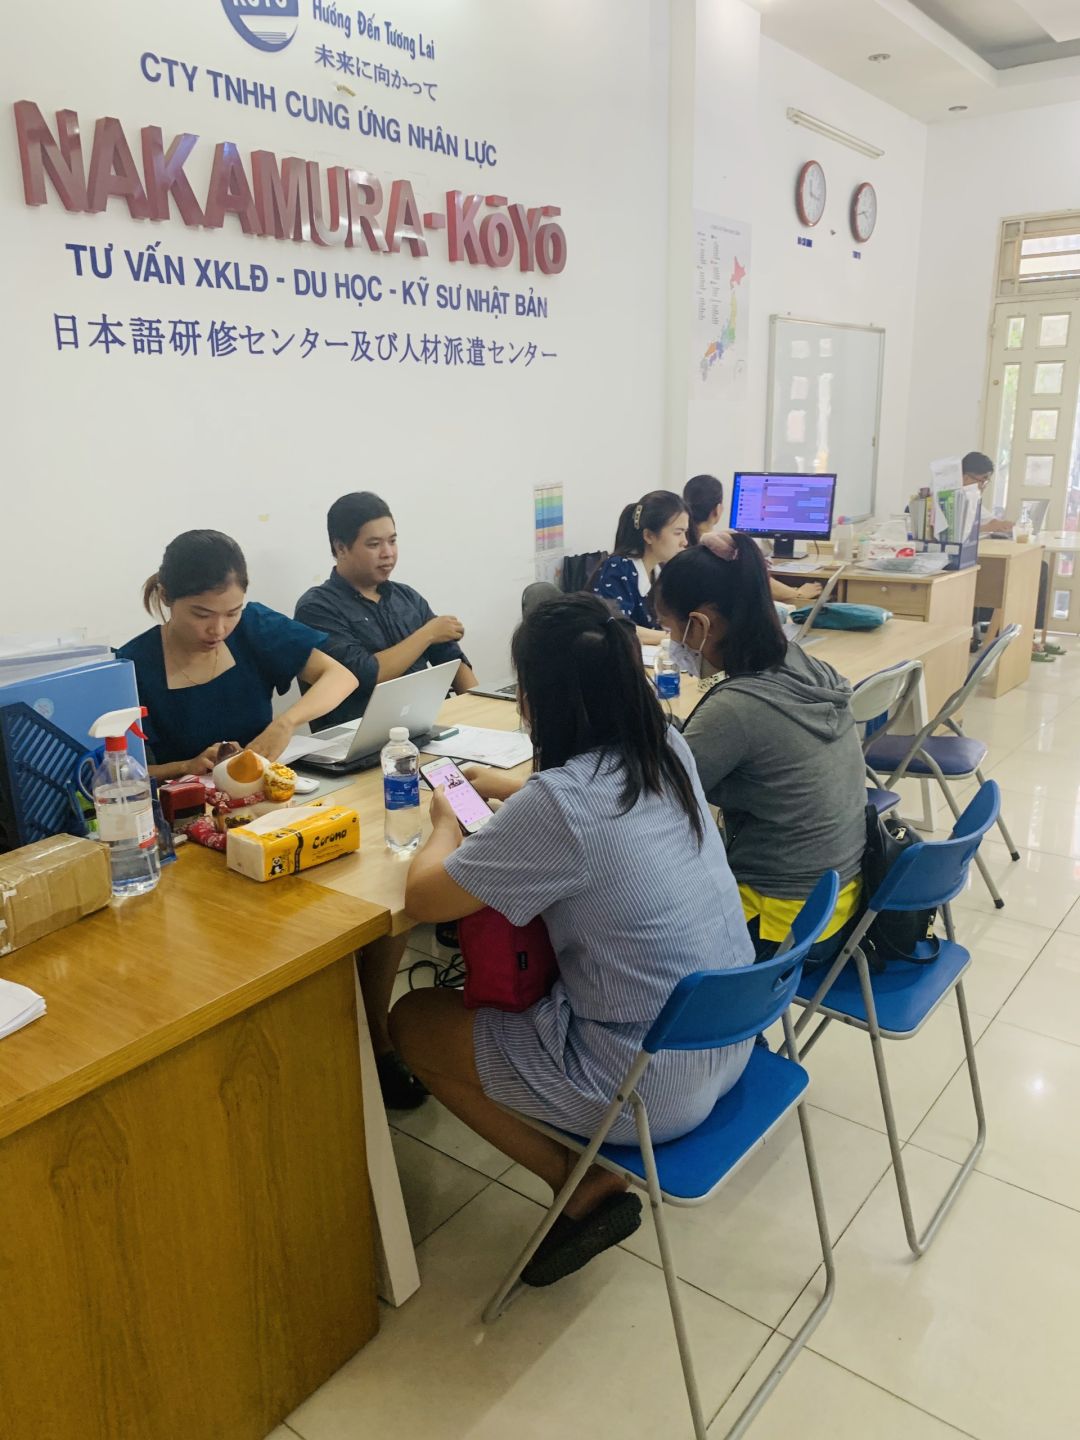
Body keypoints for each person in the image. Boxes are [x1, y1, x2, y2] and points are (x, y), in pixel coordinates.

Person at [390, 592, 754, 1286]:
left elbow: (423, 897)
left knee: (413, 1020)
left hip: (647, 1087)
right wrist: (510, 787)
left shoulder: (559, 805)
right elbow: (583, 797)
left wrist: (443, 820)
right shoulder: (666, 745)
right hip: (728, 1035)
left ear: (532, 700)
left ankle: (579, 1183)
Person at [653, 530, 867, 961]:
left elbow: (656, 797)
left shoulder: (735, 708)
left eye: (670, 629)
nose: (672, 643)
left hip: (781, 922)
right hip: (840, 900)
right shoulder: (805, 665)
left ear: (700, 625)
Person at [117, 529, 357, 780]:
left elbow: (341, 677)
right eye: (202, 615)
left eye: (232, 613)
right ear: (166, 596)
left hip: (262, 789)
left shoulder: (253, 627)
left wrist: (286, 723)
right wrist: (186, 766)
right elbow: (121, 772)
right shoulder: (132, 667)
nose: (218, 630)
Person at [295, 492, 478, 729]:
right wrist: (428, 634)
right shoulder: (316, 608)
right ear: (341, 548)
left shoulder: (406, 597)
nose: (388, 553)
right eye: (374, 544)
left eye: (392, 541)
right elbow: (364, 674)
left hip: (427, 726)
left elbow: (452, 660)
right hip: (357, 739)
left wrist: (480, 712)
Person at [685, 473, 820, 606]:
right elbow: (761, 584)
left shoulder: (683, 544)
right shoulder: (723, 547)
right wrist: (799, 593)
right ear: (718, 510)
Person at [591, 490, 689, 642]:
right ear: (649, 536)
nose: (684, 541)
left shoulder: (659, 570)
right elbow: (618, 626)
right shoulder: (618, 568)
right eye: (678, 533)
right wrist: (673, 638)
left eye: (685, 532)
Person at [963, 452, 1014, 537]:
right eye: (982, 481)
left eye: (986, 482)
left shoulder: (973, 500)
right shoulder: (948, 499)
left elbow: (990, 520)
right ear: (965, 478)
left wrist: (1004, 525)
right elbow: (955, 534)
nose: (983, 487)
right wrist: (987, 528)